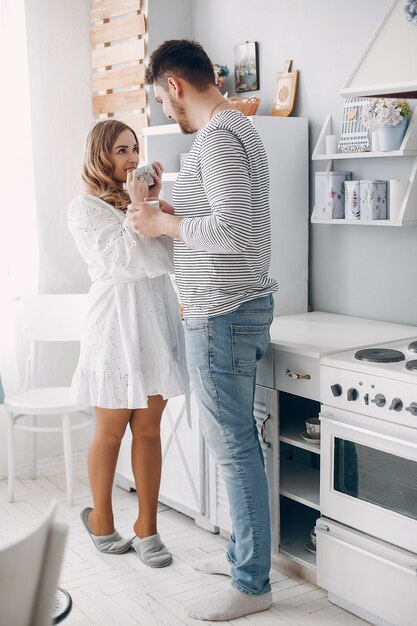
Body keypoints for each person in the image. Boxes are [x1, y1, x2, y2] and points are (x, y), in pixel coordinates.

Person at [128, 40, 278, 621]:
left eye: (165, 103)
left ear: (175, 87)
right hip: (230, 312)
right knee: (236, 444)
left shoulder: (220, 137)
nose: (170, 115)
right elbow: (221, 219)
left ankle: (251, 583)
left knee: (235, 449)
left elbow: (235, 237)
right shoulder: (233, 134)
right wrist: (167, 204)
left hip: (222, 316)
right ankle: (244, 555)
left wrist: (163, 219)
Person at [68, 119, 188, 568]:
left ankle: (147, 528)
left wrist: (155, 206)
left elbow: (169, 259)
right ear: (101, 155)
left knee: (150, 429)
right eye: (121, 150)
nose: (132, 158)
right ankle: (100, 518)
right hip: (113, 325)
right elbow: (122, 261)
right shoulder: (84, 208)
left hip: (154, 320)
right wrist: (143, 211)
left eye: (135, 149)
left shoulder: (148, 205)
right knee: (112, 429)